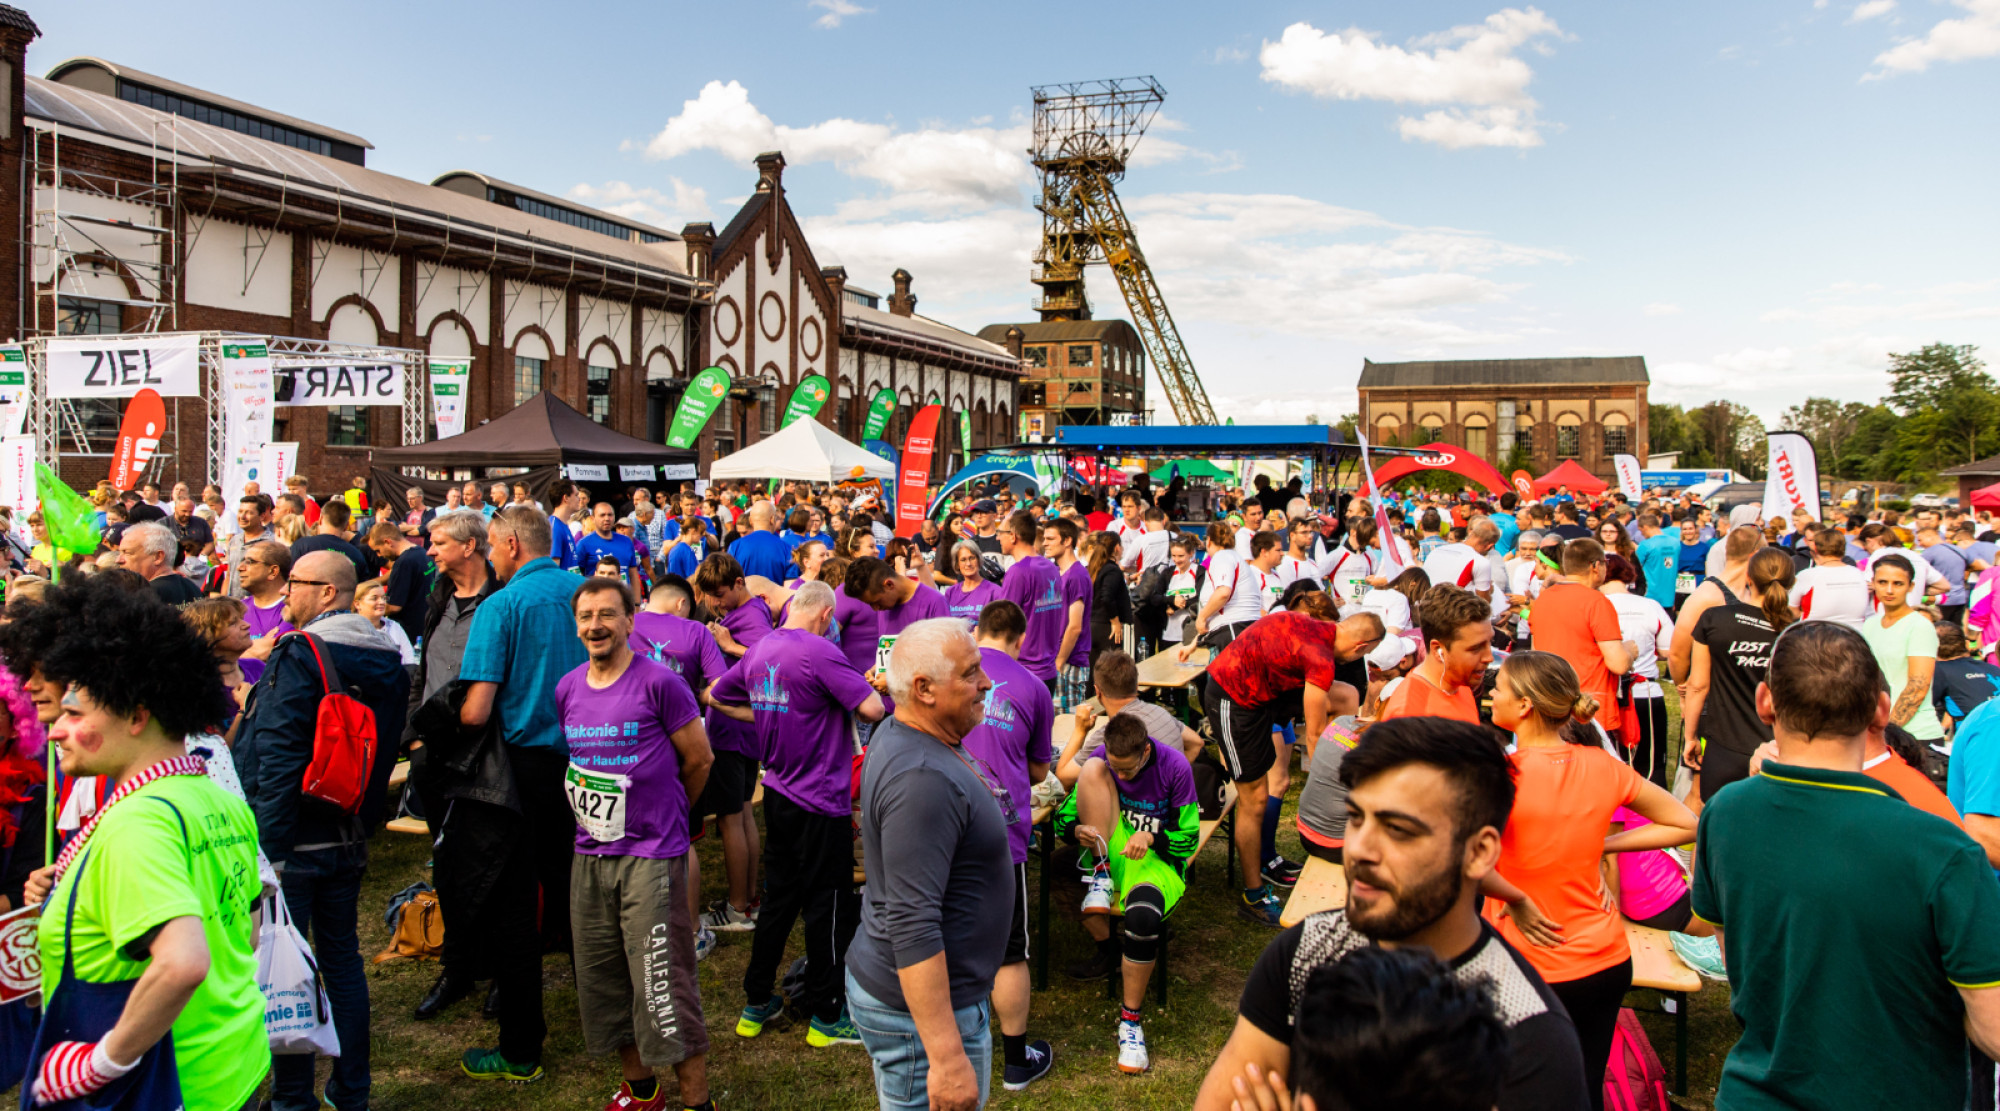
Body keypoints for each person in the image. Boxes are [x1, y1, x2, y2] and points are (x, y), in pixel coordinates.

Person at [1194, 715, 1591, 1111]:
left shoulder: (1528, 1035)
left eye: (1398, 829)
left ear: (1479, 852)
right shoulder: (1305, 952)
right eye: (1356, 818)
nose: (1359, 849)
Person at [1693, 621, 2000, 1109]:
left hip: (1755, 1092)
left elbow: (1740, 958)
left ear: (1765, 701)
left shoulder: (1725, 812)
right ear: (1881, 710)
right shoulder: (1942, 848)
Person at [17, 577, 266, 1111]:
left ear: (136, 716)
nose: (57, 730)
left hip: (167, 1086)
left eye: (76, 713)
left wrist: (99, 1063)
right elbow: (244, 929)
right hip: (233, 1062)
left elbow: (183, 963)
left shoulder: (138, 823)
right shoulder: (209, 792)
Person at [233, 550, 408, 1111]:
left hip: (295, 841)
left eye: (297, 583)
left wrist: (271, 852)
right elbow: (382, 752)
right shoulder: (385, 653)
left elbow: (277, 751)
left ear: (327, 592)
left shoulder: (301, 651)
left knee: (287, 968)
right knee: (342, 962)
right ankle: (351, 1089)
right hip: (347, 832)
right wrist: (363, 822)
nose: (287, 592)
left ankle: (291, 1097)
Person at [1485, 651, 1697, 1106]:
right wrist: (1604, 844)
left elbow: (1458, 859)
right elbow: (1686, 823)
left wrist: (1512, 896)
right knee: (1584, 1088)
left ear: (1524, 705)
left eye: (1499, 687)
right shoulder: (1602, 764)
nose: (1491, 694)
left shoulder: (1501, 775)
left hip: (1532, 964)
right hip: (1605, 958)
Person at [558, 577, 715, 1111]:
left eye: (607, 614)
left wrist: (668, 815)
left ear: (631, 621)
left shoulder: (660, 684)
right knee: (604, 978)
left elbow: (700, 760)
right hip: (590, 854)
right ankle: (643, 1089)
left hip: (651, 855)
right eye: (585, 617)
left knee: (661, 983)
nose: (595, 625)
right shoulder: (569, 688)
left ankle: (697, 1101)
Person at [709, 581, 886, 1047]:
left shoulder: (761, 648)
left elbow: (716, 696)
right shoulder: (820, 651)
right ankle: (828, 1015)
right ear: (826, 614)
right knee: (828, 906)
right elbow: (870, 708)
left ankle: (756, 1001)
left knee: (780, 900)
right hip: (821, 799)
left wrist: (768, 717)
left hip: (778, 793)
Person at [846, 618, 1011, 1111]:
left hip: (929, 1002)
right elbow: (912, 921)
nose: (987, 682)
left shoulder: (911, 735)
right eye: (971, 673)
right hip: (920, 1019)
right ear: (924, 689)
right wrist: (945, 1056)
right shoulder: (921, 778)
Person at [454, 507, 591, 1081]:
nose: (489, 554)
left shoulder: (500, 605)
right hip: (593, 761)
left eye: (490, 544)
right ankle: (611, 1020)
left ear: (511, 543)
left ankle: (520, 1047)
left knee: (516, 906)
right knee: (585, 894)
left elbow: (476, 709)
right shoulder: (590, 593)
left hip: (524, 768)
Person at [1199, 607, 1381, 922]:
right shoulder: (1320, 657)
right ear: (1361, 648)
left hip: (1265, 690)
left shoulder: (1321, 628)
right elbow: (1313, 737)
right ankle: (1253, 896)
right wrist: (1327, 786)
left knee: (1346, 695)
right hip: (1233, 695)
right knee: (1254, 798)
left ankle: (1271, 854)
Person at [1059, 710, 1199, 1077]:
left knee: (1141, 916)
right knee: (1057, 871)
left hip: (1156, 861)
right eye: (1115, 767)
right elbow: (1063, 818)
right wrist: (1077, 831)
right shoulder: (1102, 761)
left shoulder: (1175, 766)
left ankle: (1130, 1023)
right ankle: (1110, 946)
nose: (1120, 776)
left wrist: (1153, 837)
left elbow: (1189, 840)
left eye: (1127, 770)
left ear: (1146, 753)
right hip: (1110, 850)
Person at [403, 508, 501, 1022]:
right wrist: (414, 738)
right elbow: (423, 666)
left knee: (493, 864)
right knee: (446, 863)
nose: (430, 549)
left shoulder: (501, 600)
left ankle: (501, 969)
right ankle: (459, 965)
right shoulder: (438, 596)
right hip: (433, 751)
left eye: (438, 541)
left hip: (486, 754)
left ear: (470, 546)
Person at [958, 601, 1056, 1091]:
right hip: (1001, 828)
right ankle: (1016, 1060)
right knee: (1009, 950)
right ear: (1021, 636)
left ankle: (946, 1042)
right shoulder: (1033, 687)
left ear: (977, 629)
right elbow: (1040, 770)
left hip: (945, 820)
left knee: (943, 934)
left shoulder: (951, 668)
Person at [689, 555, 776, 938]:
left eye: (720, 595)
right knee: (741, 815)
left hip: (734, 730)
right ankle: (749, 898)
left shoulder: (750, 616)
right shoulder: (750, 607)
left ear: (739, 583)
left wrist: (728, 644)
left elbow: (772, 657)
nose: (715, 603)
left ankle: (739, 906)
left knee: (731, 819)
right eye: (709, 597)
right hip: (741, 729)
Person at [1683, 546, 1796, 803]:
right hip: (1777, 750)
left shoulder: (1714, 619)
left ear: (1749, 578)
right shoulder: (1797, 630)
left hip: (1723, 747)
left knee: (1717, 825)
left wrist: (1690, 738)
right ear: (1791, 583)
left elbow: (1698, 685)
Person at [1526, 539, 1634, 744]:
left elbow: (1535, 654)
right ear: (1595, 566)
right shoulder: (1596, 601)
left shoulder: (1543, 600)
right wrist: (1629, 650)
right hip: (1590, 710)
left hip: (1551, 706)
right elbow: (1618, 663)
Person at [1862, 554, 1949, 757]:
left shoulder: (1919, 626)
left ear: (1911, 586)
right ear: (1873, 583)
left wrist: (1888, 731)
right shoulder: (1870, 624)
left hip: (1915, 734)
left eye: (1898, 583)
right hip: (1880, 732)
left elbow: (1918, 686)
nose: (1889, 590)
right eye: (1883, 582)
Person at [1601, 554, 1675, 789]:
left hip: (1607, 693)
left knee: (1609, 768)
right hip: (1645, 692)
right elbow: (1667, 649)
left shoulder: (1594, 605)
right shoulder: (1650, 605)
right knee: (1651, 767)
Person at [1379, 585, 1492, 723]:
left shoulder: (1461, 686)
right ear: (1438, 650)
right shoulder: (1408, 712)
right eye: (1475, 648)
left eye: (1489, 642)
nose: (1489, 657)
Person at [997, 510, 1065, 692]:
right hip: (1048, 672)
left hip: (1023, 672)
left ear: (1012, 536)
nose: (997, 538)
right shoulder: (1051, 568)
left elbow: (1002, 624)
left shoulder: (1018, 572)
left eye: (1000, 533)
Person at [1791, 524, 1871, 630]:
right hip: (1854, 636)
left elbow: (1792, 611)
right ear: (1843, 548)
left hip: (1815, 637)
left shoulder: (1808, 575)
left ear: (1816, 548)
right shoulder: (1859, 574)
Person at [367, 521, 431, 647]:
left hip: (408, 633)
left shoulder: (403, 563)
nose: (379, 555)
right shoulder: (421, 553)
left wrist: (365, 611)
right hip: (424, 625)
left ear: (388, 542)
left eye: (378, 550)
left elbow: (394, 606)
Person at [1933, 621, 2000, 734]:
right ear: (1965, 643)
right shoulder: (1993, 669)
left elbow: (1922, 707)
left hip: (1974, 733)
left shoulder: (1938, 670)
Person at [116, 521, 201, 606]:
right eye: (119, 553)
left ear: (158, 557)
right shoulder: (193, 589)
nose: (118, 560)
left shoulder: (145, 596)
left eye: (127, 553)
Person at [1087, 532, 1133, 670]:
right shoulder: (1112, 570)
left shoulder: (1094, 567)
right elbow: (1107, 596)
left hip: (1092, 625)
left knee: (1094, 672)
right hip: (1106, 628)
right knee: (1111, 672)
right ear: (1117, 547)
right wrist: (1115, 621)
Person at [576, 502, 642, 593]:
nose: (607, 518)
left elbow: (633, 574)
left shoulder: (626, 541)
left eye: (610, 515)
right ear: (593, 519)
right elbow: (576, 576)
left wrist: (636, 603)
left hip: (622, 599)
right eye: (602, 515)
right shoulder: (584, 544)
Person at [220, 493, 275, 599]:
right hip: (233, 604)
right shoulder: (234, 540)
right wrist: (223, 602)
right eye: (240, 511)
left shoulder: (270, 542)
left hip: (255, 605)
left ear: (262, 516)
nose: (242, 517)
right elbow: (229, 575)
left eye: (249, 513)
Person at [942, 541, 1000, 626]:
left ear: (979, 559)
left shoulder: (995, 592)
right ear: (957, 564)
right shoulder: (950, 592)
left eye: (972, 558)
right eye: (963, 560)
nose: (968, 564)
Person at [1672, 515, 1715, 611]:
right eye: (1685, 529)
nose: (1688, 531)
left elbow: (1708, 568)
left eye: (1690, 528)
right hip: (1680, 586)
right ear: (1682, 531)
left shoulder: (1704, 547)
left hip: (1698, 585)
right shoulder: (1676, 547)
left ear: (1695, 529)